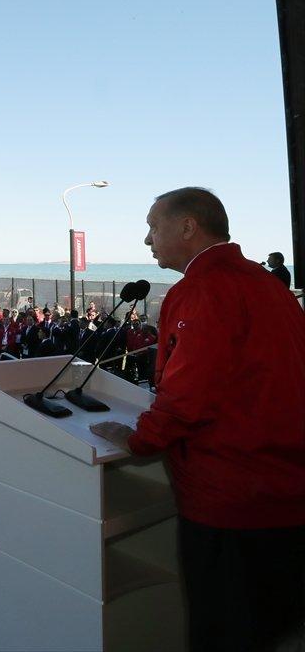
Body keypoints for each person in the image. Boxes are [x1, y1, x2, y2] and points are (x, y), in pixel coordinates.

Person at [90, 187, 305, 652]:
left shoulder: (203, 289)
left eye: (153, 226)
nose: (147, 240)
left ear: (188, 227)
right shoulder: (269, 285)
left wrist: (140, 440)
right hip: (285, 492)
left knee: (224, 629)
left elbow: (189, 392)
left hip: (230, 500)